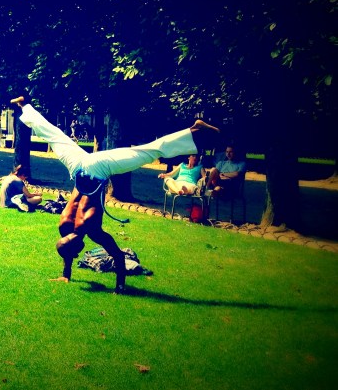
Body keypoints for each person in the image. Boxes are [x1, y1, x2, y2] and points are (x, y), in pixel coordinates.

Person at [11, 95, 218, 294]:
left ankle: (196, 132)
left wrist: (120, 287)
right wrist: (66, 275)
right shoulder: (64, 225)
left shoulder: (88, 226)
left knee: (146, 152)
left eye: (75, 254)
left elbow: (118, 255)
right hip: (77, 166)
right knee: (53, 135)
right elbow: (71, 247)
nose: (76, 255)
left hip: (97, 168)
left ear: (75, 246)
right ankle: (24, 105)